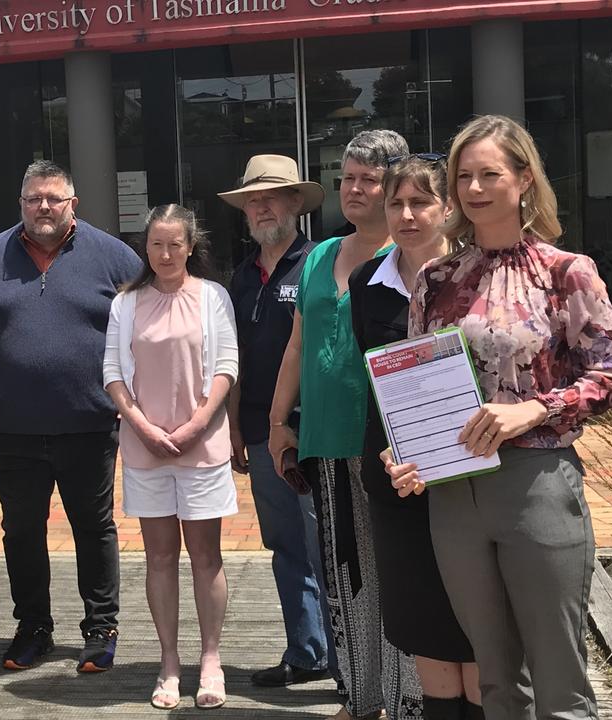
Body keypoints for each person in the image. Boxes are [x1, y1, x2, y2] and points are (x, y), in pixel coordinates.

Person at [385, 115, 612, 720]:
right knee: (495, 677)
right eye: (463, 176)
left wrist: (535, 409)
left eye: (489, 173)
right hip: (453, 493)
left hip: (537, 485)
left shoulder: (565, 271)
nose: (473, 188)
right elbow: (416, 383)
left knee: (559, 681)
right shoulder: (436, 279)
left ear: (523, 178)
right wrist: (404, 448)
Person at [0, 160, 140, 672]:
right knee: (21, 531)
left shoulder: (113, 256)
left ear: (72, 204)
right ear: (21, 203)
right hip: (13, 427)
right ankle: (34, 627)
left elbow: (145, 322)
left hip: (90, 423)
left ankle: (101, 626)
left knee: (93, 527)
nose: (42, 207)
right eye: (33, 198)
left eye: (53, 198)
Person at [268, 129, 422, 720]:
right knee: (343, 572)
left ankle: (412, 699)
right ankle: (361, 697)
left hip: (390, 442)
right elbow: (297, 343)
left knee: (400, 566)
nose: (355, 190)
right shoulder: (319, 256)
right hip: (327, 439)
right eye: (347, 178)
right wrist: (279, 419)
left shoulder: (413, 258)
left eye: (370, 180)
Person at [347, 155, 481, 720]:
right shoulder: (365, 285)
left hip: (470, 475)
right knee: (422, 623)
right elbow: (373, 377)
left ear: (447, 207)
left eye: (421, 201)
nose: (406, 214)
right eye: (397, 202)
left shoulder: (480, 278)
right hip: (397, 478)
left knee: (474, 625)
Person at [102, 204, 239, 710]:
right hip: (145, 447)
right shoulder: (126, 302)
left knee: (206, 556)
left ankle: (210, 660)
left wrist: (198, 423)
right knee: (160, 556)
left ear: (190, 245)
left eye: (174, 244)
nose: (165, 254)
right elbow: (113, 371)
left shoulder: (213, 297)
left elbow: (227, 364)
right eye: (156, 244)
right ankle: (168, 662)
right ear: (146, 248)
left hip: (201, 445)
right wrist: (142, 426)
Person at [217, 155, 338, 688]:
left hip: (316, 432)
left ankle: (348, 663)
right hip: (262, 435)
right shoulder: (241, 277)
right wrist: (236, 427)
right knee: (286, 546)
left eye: (272, 196)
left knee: (327, 547)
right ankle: (306, 652)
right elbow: (232, 357)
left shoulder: (323, 264)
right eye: (252, 200)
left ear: (297, 204)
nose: (261, 206)